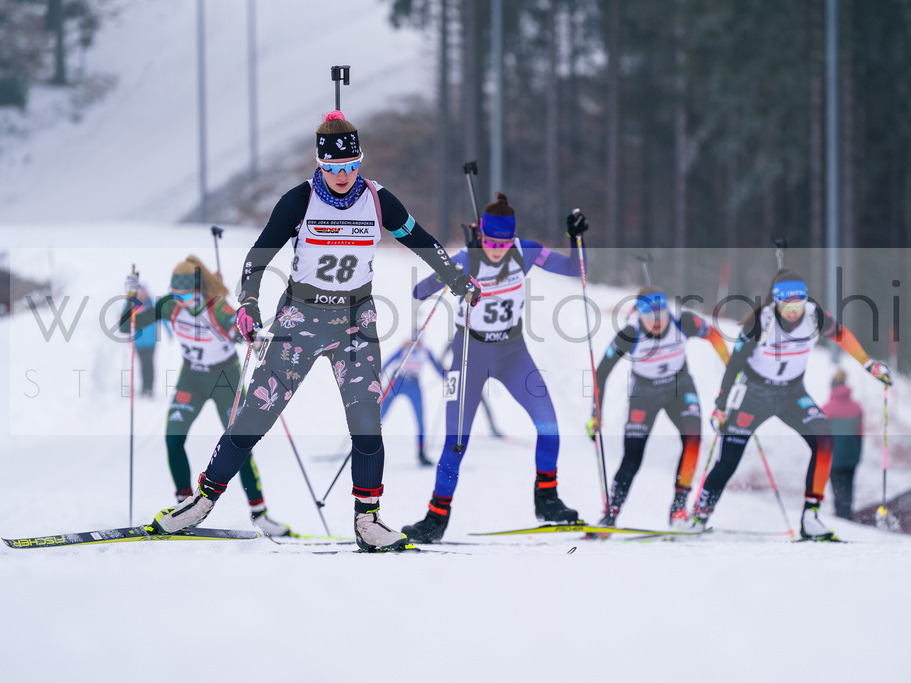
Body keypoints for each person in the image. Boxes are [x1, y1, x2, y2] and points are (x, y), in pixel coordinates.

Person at [148, 110, 477, 551]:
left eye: (350, 167)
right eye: (332, 168)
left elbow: (418, 238)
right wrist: (248, 302)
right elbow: (258, 255)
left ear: (360, 162)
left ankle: (368, 520)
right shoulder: (299, 200)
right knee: (253, 416)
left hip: (356, 321)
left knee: (366, 423)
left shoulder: (378, 200)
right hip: (301, 319)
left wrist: (455, 277)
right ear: (319, 165)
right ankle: (200, 503)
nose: (342, 176)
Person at [401, 193, 589, 542]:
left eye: (503, 242)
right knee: (456, 442)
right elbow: (419, 292)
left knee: (549, 426)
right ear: (481, 235)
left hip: (513, 353)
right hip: (468, 355)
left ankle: (547, 500)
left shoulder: (526, 251)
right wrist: (452, 274)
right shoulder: (466, 258)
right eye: (490, 241)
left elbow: (576, 271)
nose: (497, 249)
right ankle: (435, 518)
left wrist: (576, 240)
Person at [686, 268, 893, 541]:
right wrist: (721, 405)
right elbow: (735, 364)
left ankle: (810, 517)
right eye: (786, 305)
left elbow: (842, 335)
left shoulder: (813, 315)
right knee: (728, 461)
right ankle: (700, 515)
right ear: (776, 302)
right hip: (753, 395)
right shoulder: (761, 322)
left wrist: (869, 364)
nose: (793, 311)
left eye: (797, 304)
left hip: (792, 395)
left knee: (824, 439)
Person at [121, 256, 291, 536]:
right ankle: (183, 507)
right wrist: (133, 300)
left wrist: (256, 338)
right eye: (176, 293)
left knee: (240, 443)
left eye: (185, 293)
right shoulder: (168, 305)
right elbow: (128, 326)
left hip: (226, 378)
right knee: (173, 439)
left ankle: (260, 514)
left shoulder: (217, 308)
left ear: (198, 288)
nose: (180, 299)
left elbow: (239, 330)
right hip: (192, 378)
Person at [588, 286, 730, 529]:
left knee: (693, 439)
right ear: (639, 316)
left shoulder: (684, 321)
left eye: (660, 316)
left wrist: (730, 367)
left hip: (680, 388)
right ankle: (611, 514)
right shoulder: (630, 334)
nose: (656, 322)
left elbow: (714, 335)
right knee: (632, 456)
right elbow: (601, 373)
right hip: (644, 394)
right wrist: (595, 414)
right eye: (649, 317)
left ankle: (678, 509)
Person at [380, 337, 446, 466]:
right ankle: (362, 446)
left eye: (420, 341)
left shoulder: (426, 351)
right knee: (381, 416)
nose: (417, 344)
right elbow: (386, 364)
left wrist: (448, 378)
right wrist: (379, 382)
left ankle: (421, 453)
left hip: (414, 384)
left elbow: (438, 368)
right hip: (398, 382)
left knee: (420, 420)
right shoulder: (404, 349)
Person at [822, 369, 864, 520]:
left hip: (834, 457)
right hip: (851, 455)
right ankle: (848, 516)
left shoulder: (827, 408)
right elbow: (860, 435)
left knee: (838, 491)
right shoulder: (857, 407)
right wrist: (858, 455)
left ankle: (841, 519)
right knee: (848, 489)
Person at [130, 282, 158, 398]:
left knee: (149, 363)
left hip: (151, 341)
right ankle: (144, 387)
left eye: (143, 293)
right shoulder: (133, 307)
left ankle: (150, 387)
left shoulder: (152, 306)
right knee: (142, 364)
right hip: (139, 341)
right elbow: (126, 321)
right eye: (140, 293)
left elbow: (162, 316)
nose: (142, 295)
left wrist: (170, 332)